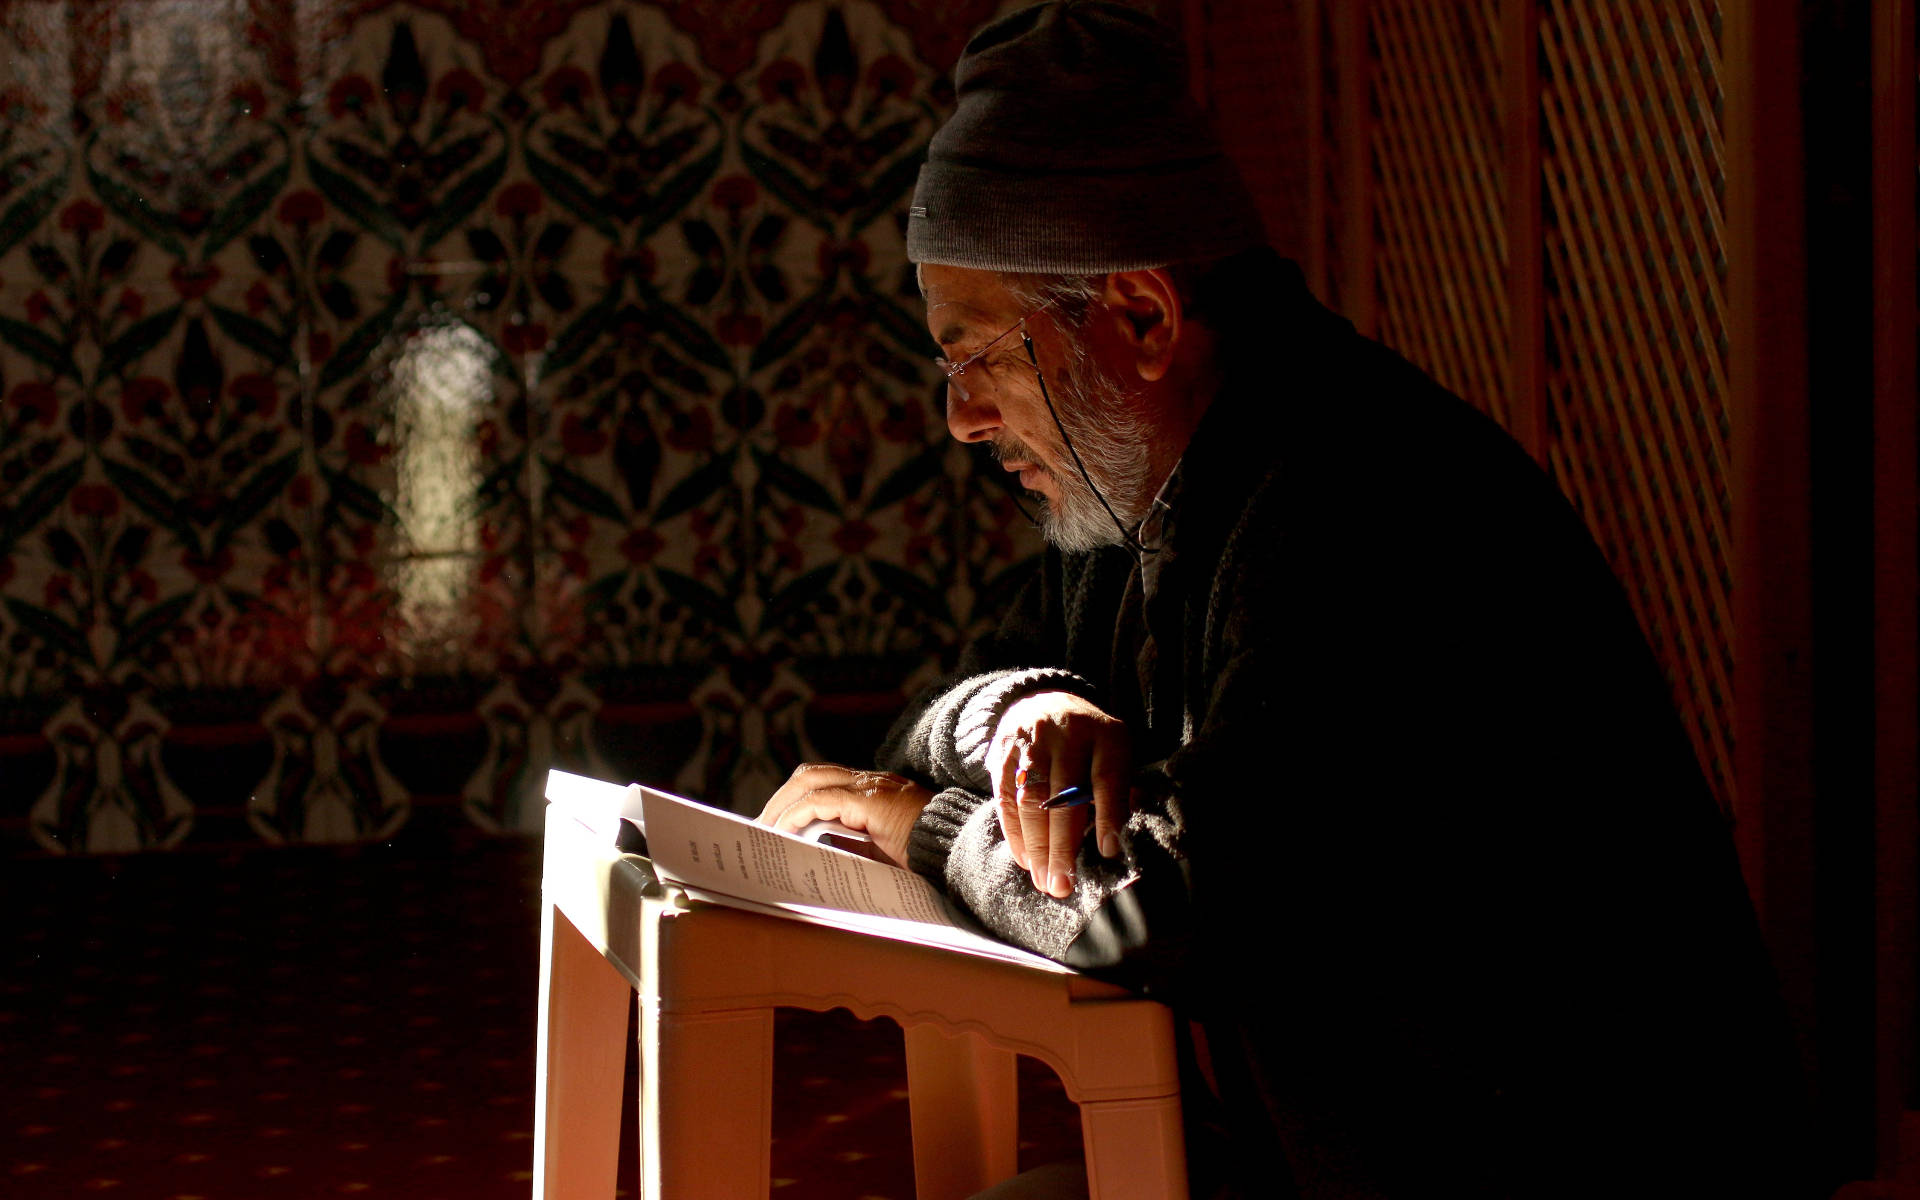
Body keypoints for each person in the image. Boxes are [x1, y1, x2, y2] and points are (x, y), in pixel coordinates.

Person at [758, 3, 1808, 1196]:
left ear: (1142, 318)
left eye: (978, 355)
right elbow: (946, 695)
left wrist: (921, 825)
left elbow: (1160, 907)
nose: (961, 417)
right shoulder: (1141, 475)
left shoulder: (1360, 503)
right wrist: (1024, 714)